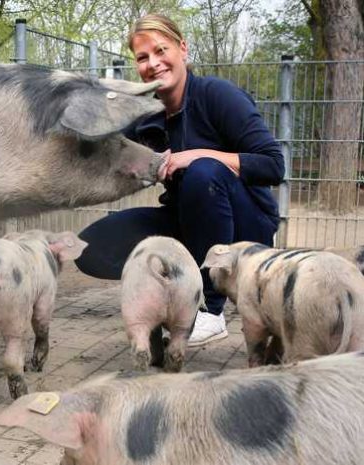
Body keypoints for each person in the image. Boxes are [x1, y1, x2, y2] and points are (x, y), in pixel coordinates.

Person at [75, 14, 284, 347]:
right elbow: (105, 159)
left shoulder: (217, 95)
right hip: (188, 222)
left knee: (203, 172)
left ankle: (209, 310)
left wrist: (198, 156)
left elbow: (273, 165)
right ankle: (169, 296)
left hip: (246, 226)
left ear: (182, 49)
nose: (153, 63)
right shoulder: (147, 118)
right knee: (85, 249)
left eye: (161, 50)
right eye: (143, 58)